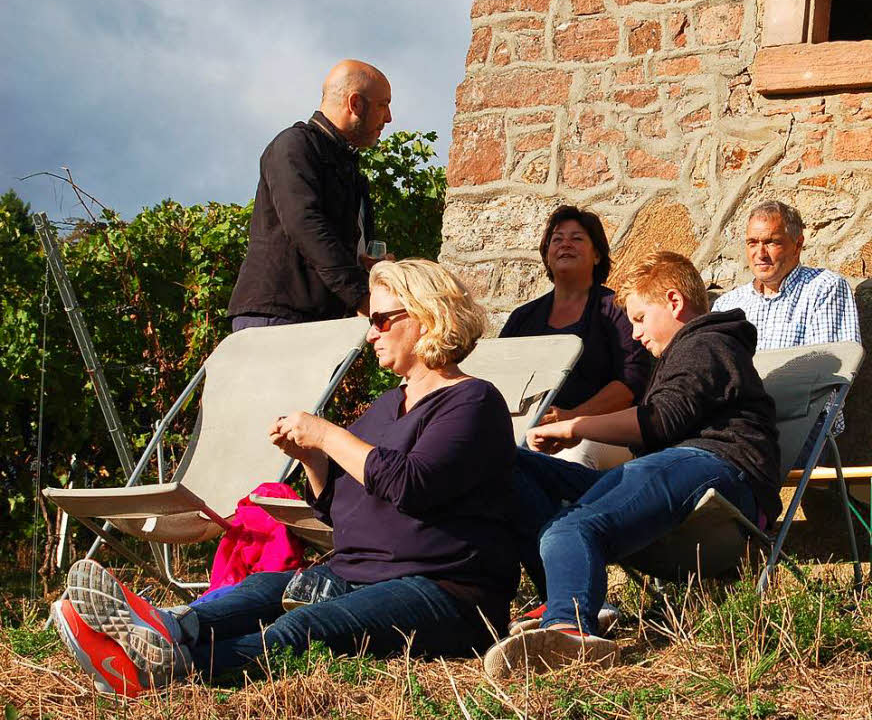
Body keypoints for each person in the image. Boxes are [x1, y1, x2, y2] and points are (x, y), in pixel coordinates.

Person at [53, 259, 521, 695]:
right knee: (262, 589)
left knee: (302, 628)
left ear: (427, 317)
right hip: (361, 574)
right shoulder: (387, 407)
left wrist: (326, 433)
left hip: (445, 592)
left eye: (380, 320)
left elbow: (409, 485)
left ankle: (172, 669)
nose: (371, 334)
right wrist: (313, 460)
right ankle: (167, 628)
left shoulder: (472, 402)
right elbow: (342, 512)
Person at [484, 251, 781, 678]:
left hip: (716, 469)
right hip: (678, 471)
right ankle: (576, 597)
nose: (636, 334)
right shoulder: (689, 351)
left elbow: (661, 420)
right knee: (511, 464)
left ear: (674, 302)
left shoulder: (707, 343)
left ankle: (568, 632)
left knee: (574, 525)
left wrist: (573, 426)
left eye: (640, 318)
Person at [228, 59, 393, 331]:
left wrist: (368, 266)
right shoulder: (294, 146)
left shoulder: (350, 169)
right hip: (278, 316)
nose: (388, 118)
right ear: (355, 104)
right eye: (383, 105)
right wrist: (362, 297)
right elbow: (305, 225)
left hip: (319, 321)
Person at [499, 205, 650, 470]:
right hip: (526, 431)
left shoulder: (616, 309)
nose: (565, 244)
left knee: (572, 459)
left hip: (601, 432)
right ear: (547, 256)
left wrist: (571, 418)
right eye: (557, 239)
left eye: (577, 238)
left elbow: (630, 383)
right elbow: (499, 379)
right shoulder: (522, 318)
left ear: (596, 255)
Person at [712, 199, 860, 446]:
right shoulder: (727, 305)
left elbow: (824, 383)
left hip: (800, 426)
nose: (760, 254)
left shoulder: (823, 288)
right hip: (738, 430)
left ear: (797, 244)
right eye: (752, 243)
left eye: (771, 242)